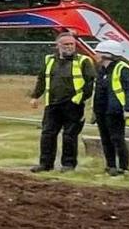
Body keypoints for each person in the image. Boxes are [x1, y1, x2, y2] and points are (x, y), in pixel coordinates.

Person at [29, 29, 95, 172]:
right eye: (65, 44)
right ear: (57, 45)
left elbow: (90, 83)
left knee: (69, 136)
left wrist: (78, 100)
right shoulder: (49, 60)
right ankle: (45, 164)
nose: (69, 47)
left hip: (73, 105)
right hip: (52, 104)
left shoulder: (83, 61)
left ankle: (68, 164)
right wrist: (35, 96)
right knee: (47, 134)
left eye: (71, 44)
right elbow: (42, 79)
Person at [94, 40, 129, 177]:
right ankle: (110, 166)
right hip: (102, 110)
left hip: (116, 110)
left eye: (98, 52)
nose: (95, 55)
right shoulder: (102, 70)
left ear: (106, 54)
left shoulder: (122, 68)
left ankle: (123, 168)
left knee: (117, 139)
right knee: (105, 139)